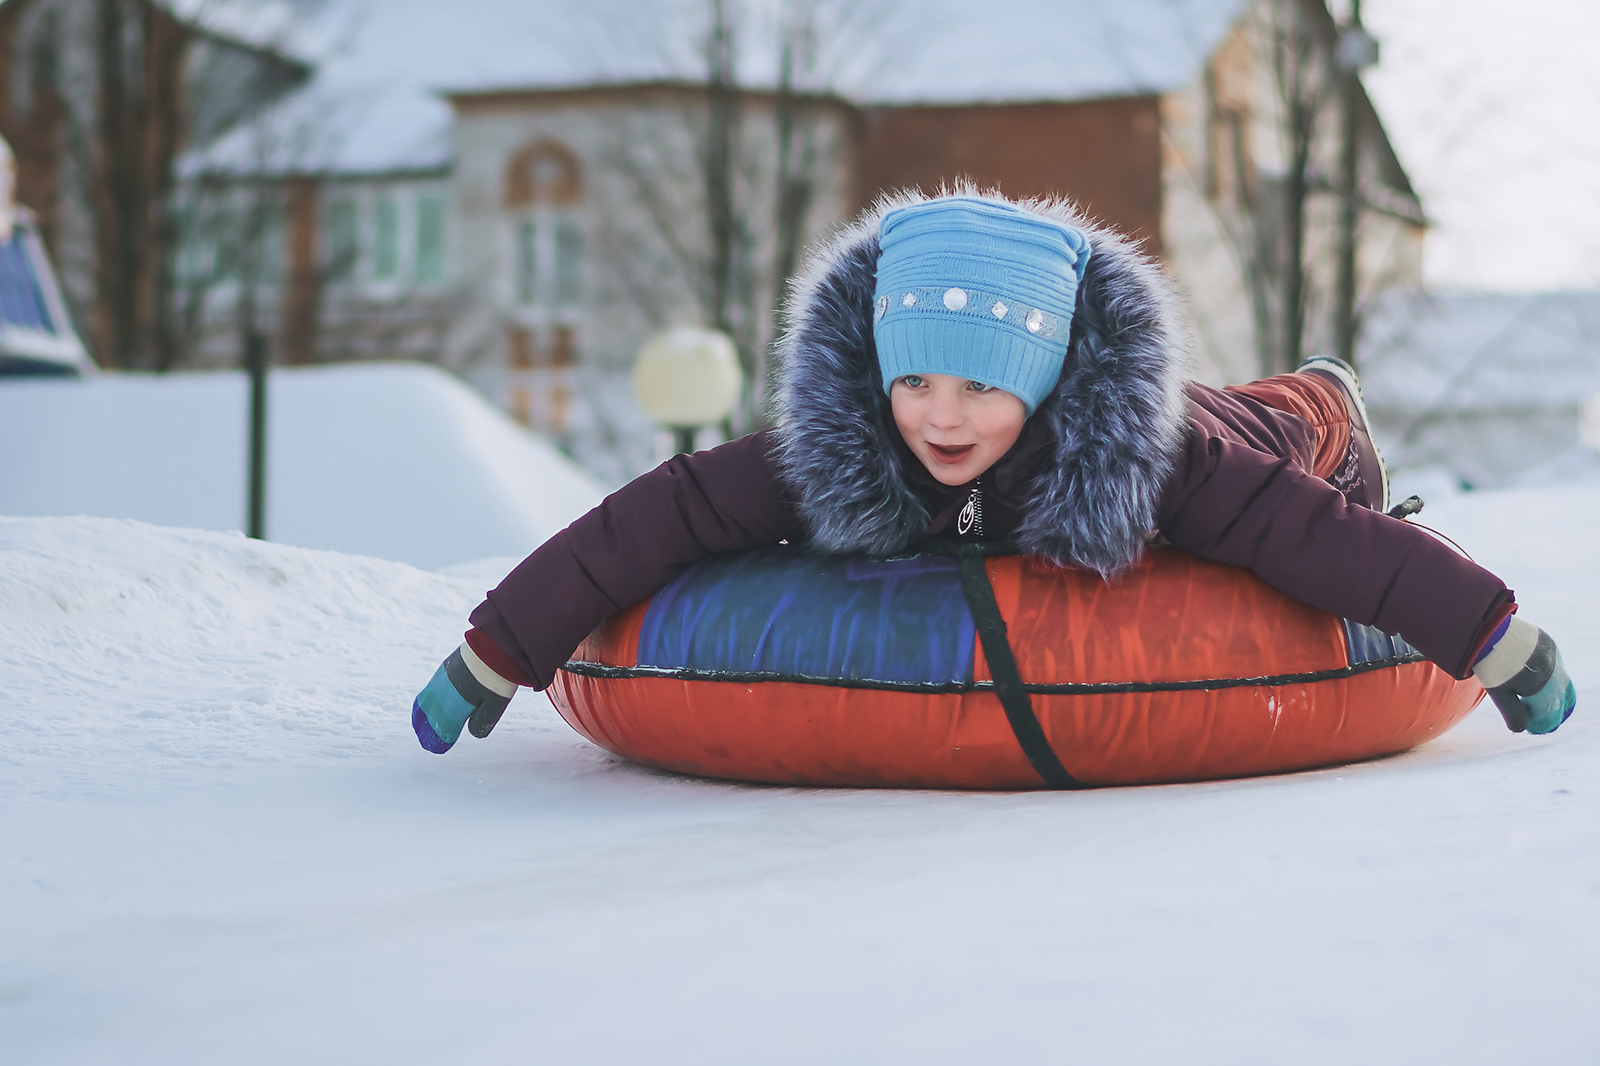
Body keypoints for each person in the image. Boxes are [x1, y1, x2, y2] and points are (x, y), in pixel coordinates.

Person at [412, 192, 1577, 754]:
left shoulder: (1145, 459)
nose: (943, 417)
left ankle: (1326, 389)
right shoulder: (842, 450)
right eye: (916, 383)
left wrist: (1494, 640)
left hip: (1233, 429)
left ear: (1042, 380)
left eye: (980, 388)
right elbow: (653, 519)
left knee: (1280, 421)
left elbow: (1321, 545)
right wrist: (492, 654)